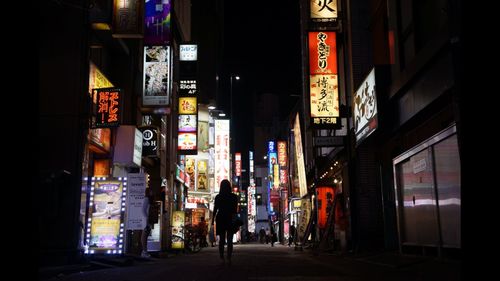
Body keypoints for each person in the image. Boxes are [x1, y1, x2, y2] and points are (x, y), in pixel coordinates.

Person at [211, 179, 238, 265]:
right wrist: (235, 220)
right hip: (229, 218)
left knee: (222, 240)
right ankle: (229, 257)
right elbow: (235, 211)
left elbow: (215, 209)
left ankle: (222, 257)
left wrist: (212, 220)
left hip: (221, 218)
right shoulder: (234, 197)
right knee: (229, 240)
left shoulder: (218, 197)